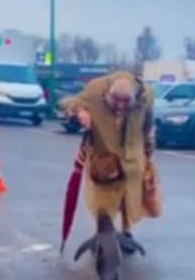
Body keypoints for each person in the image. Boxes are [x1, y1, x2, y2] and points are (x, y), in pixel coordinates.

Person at [67, 71, 157, 253]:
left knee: (129, 199)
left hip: (132, 158)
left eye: (126, 102)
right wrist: (80, 111)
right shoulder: (94, 90)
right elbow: (66, 103)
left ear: (135, 97)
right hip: (104, 159)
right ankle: (103, 234)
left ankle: (126, 233)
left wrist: (148, 149)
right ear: (107, 93)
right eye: (115, 100)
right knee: (102, 198)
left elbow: (148, 123)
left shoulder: (146, 95)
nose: (121, 106)